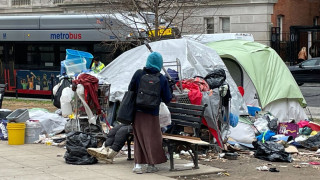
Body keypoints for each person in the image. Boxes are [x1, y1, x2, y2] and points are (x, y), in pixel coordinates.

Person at [129, 52, 172, 174]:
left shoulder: (138, 74)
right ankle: (151, 165)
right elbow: (167, 98)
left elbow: (130, 89)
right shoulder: (162, 78)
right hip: (152, 113)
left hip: (138, 112)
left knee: (138, 138)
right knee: (153, 138)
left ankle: (137, 165)